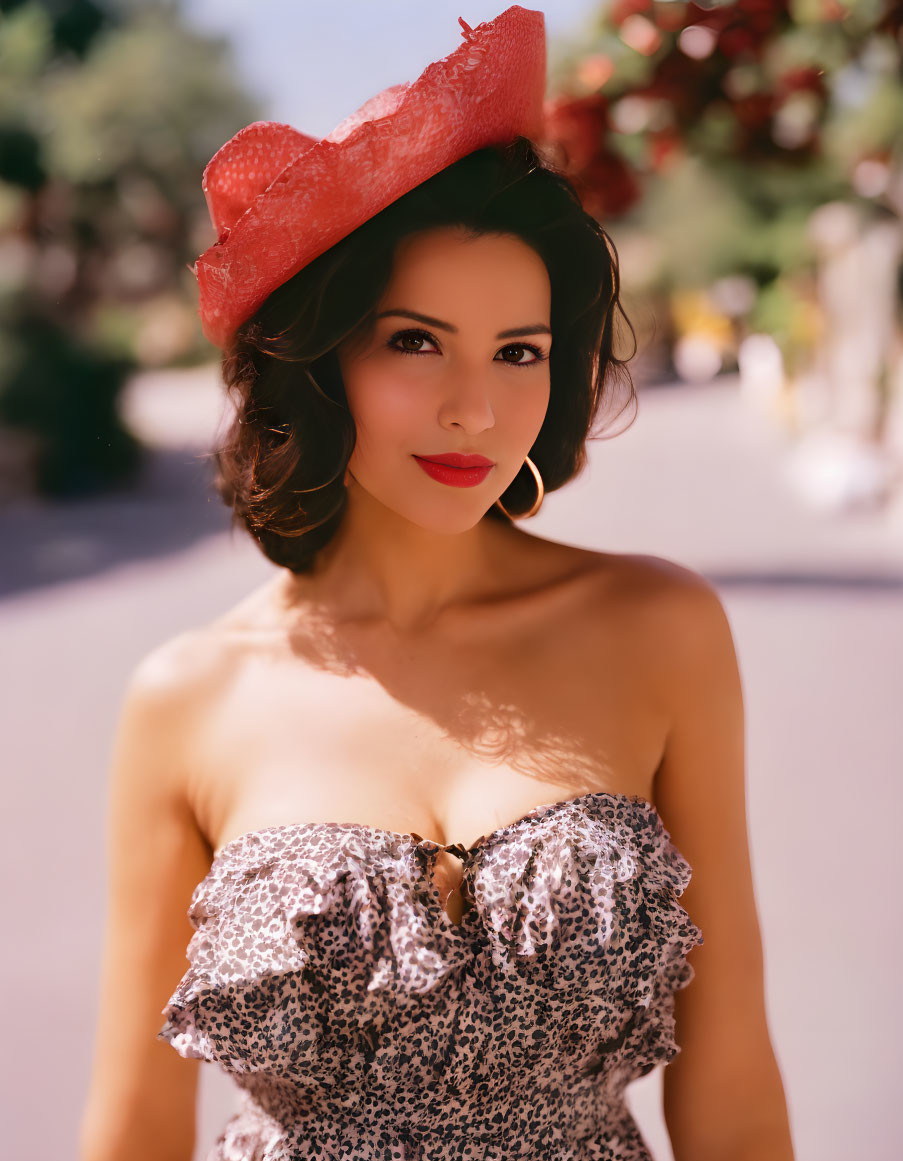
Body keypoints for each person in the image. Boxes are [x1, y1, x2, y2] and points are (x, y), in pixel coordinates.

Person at [79, 7, 794, 1160]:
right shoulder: (189, 698)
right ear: (320, 360)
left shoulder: (660, 628)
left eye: (520, 350)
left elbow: (735, 1083)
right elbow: (135, 1126)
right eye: (415, 341)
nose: (477, 405)